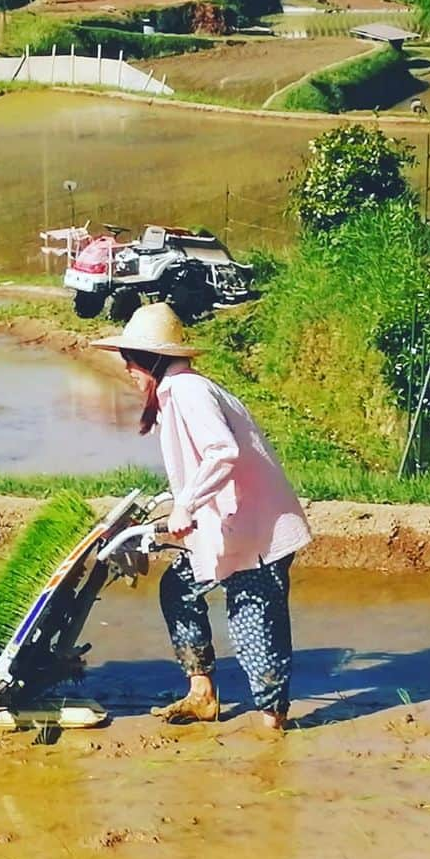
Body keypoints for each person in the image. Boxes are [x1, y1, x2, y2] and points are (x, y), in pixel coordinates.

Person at [91, 303, 311, 731]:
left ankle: (272, 725)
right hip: (224, 528)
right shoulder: (176, 393)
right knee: (179, 588)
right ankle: (202, 694)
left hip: (253, 531)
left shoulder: (189, 391)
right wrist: (177, 503)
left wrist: (187, 504)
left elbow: (222, 451)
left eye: (131, 363)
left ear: (151, 359)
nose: (130, 373)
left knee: (252, 622)